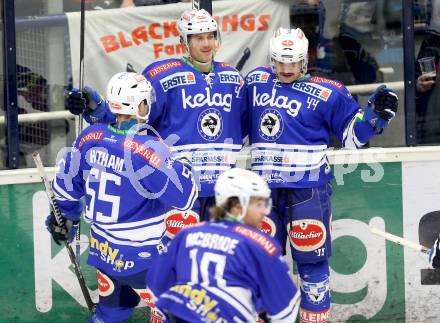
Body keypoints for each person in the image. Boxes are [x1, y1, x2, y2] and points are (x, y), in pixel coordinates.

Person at [245, 27, 398, 323]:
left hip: (308, 192)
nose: (286, 68)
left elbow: (354, 137)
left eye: (293, 62)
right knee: (259, 263)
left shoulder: (330, 91)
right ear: (271, 59)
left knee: (311, 263)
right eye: (280, 61)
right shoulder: (254, 82)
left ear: (304, 60)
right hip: (261, 193)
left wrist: (374, 118)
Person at [65, 8, 247, 237]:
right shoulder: (161, 76)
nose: (207, 43)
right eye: (199, 38)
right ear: (184, 41)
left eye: (211, 36)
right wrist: (96, 110)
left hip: (222, 188)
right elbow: (131, 122)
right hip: (179, 189)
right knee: (180, 259)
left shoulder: (233, 78)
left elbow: (246, 125)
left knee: (219, 260)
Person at [45, 72, 197, 322]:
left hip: (105, 253)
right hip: (143, 258)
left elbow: (66, 189)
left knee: (112, 312)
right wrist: (183, 164)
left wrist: (65, 220)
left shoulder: (89, 137)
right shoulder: (149, 150)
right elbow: (185, 196)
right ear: (140, 105)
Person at [147, 168, 301, 322]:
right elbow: (285, 311)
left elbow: (155, 285)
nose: (264, 212)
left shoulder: (185, 235)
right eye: (259, 204)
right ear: (238, 206)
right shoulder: (260, 244)